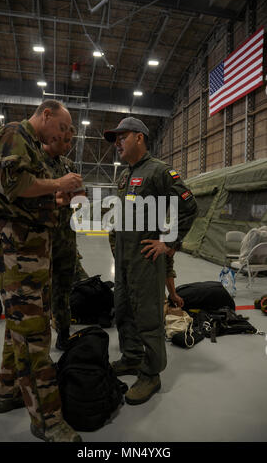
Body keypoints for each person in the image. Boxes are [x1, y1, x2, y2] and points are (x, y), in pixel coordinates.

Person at [0, 100, 84, 442]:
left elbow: (27, 196)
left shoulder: (29, 145)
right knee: (35, 336)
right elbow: (15, 185)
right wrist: (58, 184)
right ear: (46, 115)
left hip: (31, 248)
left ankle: (7, 392)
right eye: (63, 128)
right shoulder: (13, 134)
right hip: (18, 249)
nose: (64, 135)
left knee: (19, 328)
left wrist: (58, 198)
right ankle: (47, 421)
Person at [103, 117, 197, 405]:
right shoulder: (125, 175)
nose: (117, 143)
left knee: (148, 317)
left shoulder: (159, 171)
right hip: (124, 259)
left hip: (146, 259)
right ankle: (132, 357)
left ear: (140, 138)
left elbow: (189, 206)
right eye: (115, 139)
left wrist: (168, 243)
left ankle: (151, 374)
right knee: (123, 311)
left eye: (122, 137)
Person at [42, 127, 88, 350]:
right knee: (40, 291)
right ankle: (39, 341)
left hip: (66, 241)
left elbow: (81, 195)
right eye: (66, 141)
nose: (69, 146)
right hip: (40, 242)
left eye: (71, 142)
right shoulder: (36, 162)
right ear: (53, 136)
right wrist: (57, 195)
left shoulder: (68, 166)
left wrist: (72, 196)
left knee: (64, 290)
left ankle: (63, 333)